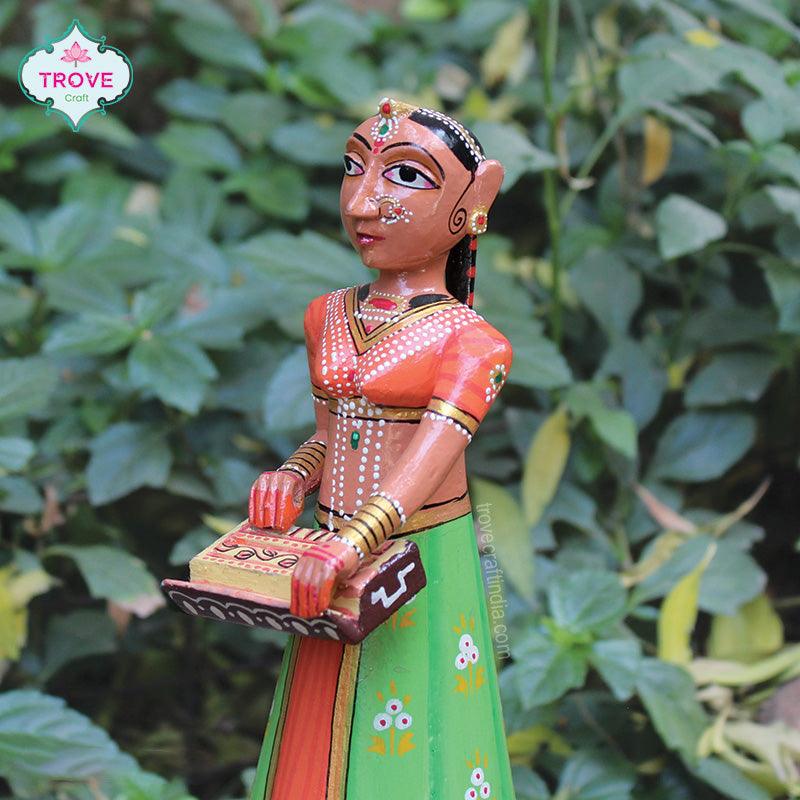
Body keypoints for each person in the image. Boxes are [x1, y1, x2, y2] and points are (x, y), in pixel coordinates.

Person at [248, 98, 514, 800]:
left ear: (475, 199)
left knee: (413, 721)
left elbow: (427, 460)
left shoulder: (473, 344)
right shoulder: (327, 314)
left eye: (406, 176)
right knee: (315, 718)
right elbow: (329, 435)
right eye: (353, 168)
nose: (361, 202)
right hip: (333, 546)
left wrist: (355, 541)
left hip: (416, 554)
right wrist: (294, 476)